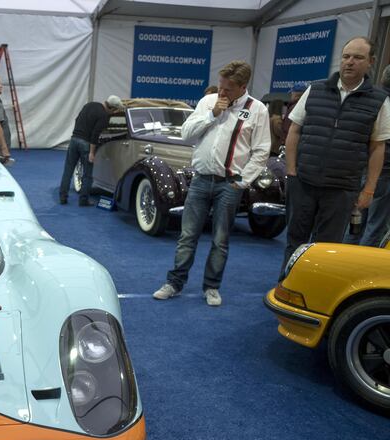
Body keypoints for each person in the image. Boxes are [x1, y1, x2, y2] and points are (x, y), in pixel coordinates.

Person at [153, 60, 270, 307]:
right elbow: (186, 134)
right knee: (187, 236)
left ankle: (212, 287)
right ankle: (174, 283)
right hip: (200, 180)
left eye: (228, 88)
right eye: (220, 86)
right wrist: (212, 114)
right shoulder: (208, 102)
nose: (222, 92)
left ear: (242, 87)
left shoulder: (257, 109)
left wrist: (243, 180)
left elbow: (261, 151)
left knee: (220, 240)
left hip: (230, 185)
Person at [282, 36, 390, 270]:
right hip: (303, 182)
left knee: (326, 248)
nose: (350, 62)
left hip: (342, 190)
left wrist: (369, 189)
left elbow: (377, 147)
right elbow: (294, 131)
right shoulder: (316, 88)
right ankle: (285, 286)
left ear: (370, 62)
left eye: (358, 57)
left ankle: (312, 295)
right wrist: (291, 172)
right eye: (346, 56)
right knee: (294, 242)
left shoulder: (380, 101)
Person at [344, 63, 390, 247]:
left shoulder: (372, 98)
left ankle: (343, 262)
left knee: (355, 222)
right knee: (376, 225)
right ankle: (359, 269)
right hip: (385, 172)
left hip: (363, 167)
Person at [58, 95, 125, 206]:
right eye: (115, 110)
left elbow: (77, 119)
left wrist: (77, 134)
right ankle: (83, 200)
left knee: (68, 171)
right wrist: (92, 153)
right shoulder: (103, 116)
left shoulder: (89, 105)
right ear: (112, 108)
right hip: (86, 144)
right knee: (88, 175)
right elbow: (95, 136)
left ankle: (62, 197)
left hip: (74, 140)